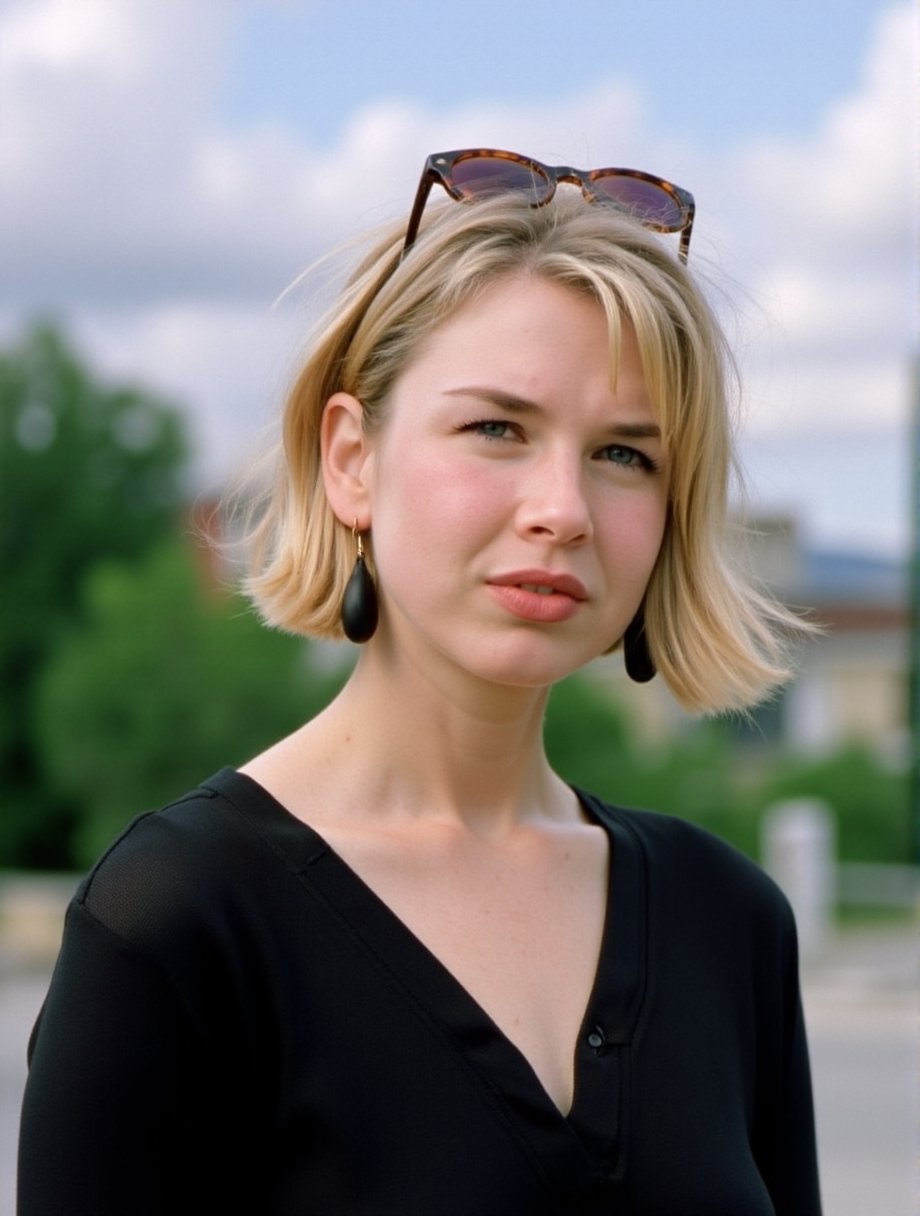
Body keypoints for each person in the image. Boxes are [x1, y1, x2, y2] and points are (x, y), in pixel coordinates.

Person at [18, 150, 822, 1215]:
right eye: (497, 428)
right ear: (352, 458)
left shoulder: (729, 926)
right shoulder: (180, 920)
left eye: (625, 455)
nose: (562, 508)